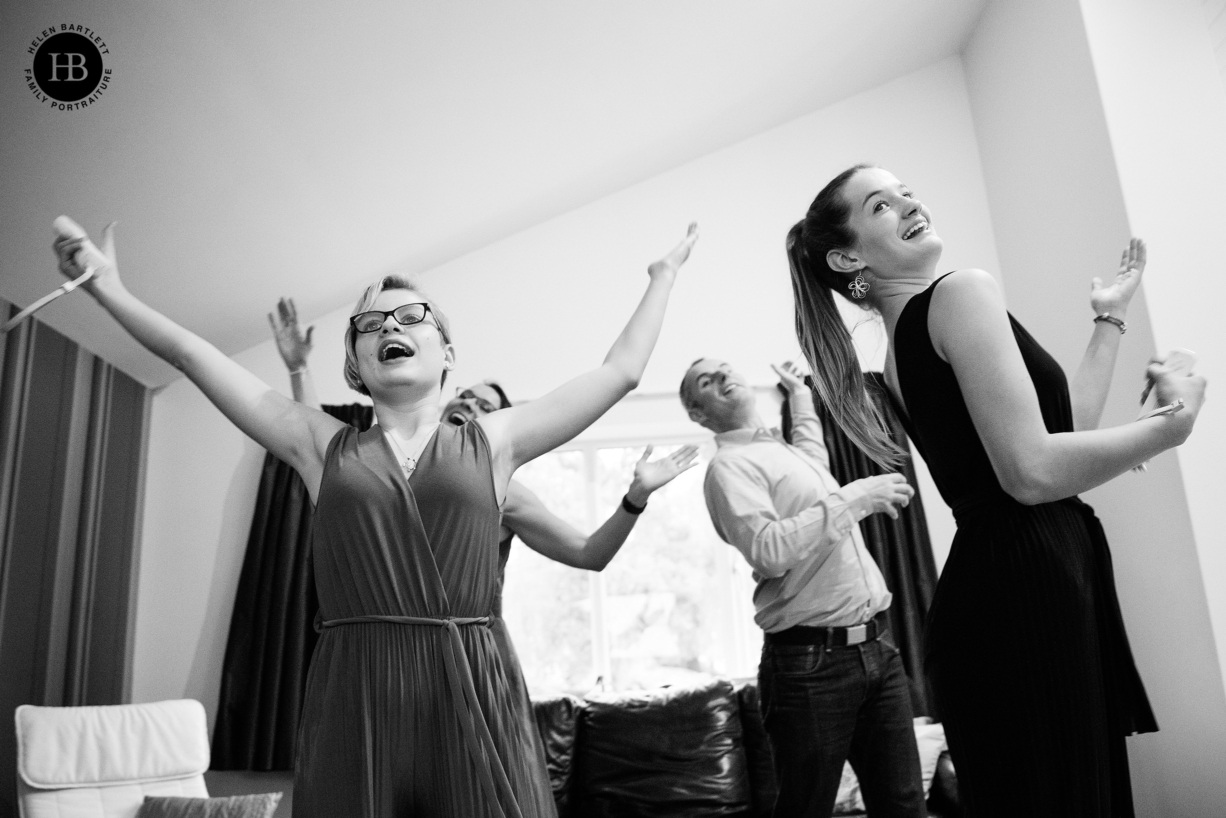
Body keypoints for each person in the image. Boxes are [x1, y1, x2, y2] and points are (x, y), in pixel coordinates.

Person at [54, 220, 699, 818]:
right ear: (357, 367)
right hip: (355, 688)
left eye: (411, 315)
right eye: (369, 323)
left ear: (447, 352)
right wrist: (109, 290)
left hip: (472, 680)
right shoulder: (319, 444)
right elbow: (194, 357)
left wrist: (662, 276)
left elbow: (620, 372)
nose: (390, 323)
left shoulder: (496, 442)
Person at [785, 165, 1206, 818]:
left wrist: (1110, 320)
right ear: (848, 257)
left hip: (1008, 585)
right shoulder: (959, 294)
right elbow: (1033, 471)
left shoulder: (901, 350)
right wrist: (1170, 425)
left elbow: (1060, 435)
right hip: (1024, 587)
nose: (908, 202)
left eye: (907, 191)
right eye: (881, 205)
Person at [268, 297, 698, 765]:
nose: (470, 403)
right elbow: (315, 453)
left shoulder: (503, 489)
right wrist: (299, 370)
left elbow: (589, 552)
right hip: (376, 663)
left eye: (484, 405)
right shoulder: (368, 464)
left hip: (469, 665)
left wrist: (634, 498)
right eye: (466, 395)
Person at [680, 357, 922, 818]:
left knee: (905, 804)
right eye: (706, 381)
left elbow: (815, 462)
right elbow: (768, 549)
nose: (724, 375)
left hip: (878, 649)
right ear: (698, 413)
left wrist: (801, 396)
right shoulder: (729, 468)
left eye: (725, 367)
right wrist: (857, 496)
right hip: (811, 665)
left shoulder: (781, 451)